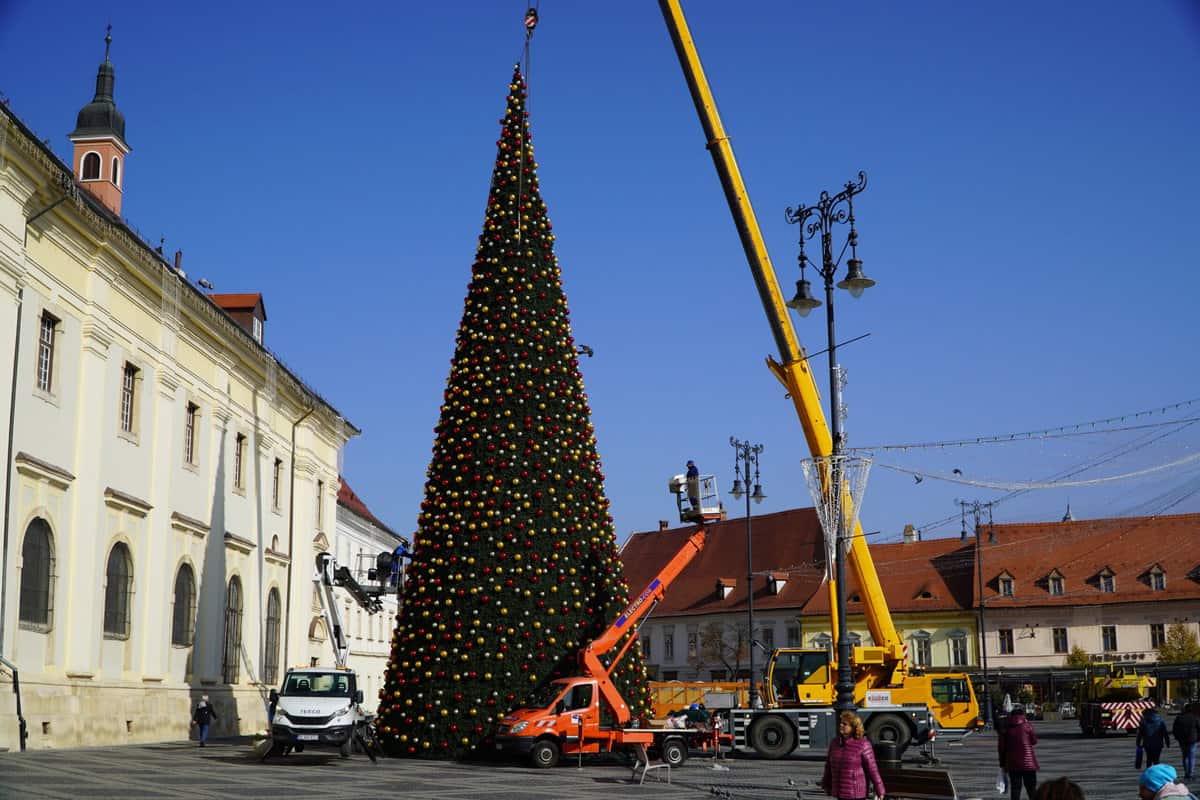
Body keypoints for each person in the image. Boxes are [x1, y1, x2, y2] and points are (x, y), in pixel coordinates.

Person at [822, 710, 886, 800]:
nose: (841, 725)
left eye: (845, 724)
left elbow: (872, 769)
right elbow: (828, 766)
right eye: (841, 723)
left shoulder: (863, 744)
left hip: (856, 794)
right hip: (839, 792)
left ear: (854, 727)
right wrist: (826, 784)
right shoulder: (835, 743)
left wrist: (880, 790)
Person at [999, 704, 1039, 800]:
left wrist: (1002, 764)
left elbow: (1001, 748)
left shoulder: (1006, 727)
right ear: (1023, 715)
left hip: (1013, 763)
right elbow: (1034, 741)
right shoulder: (1027, 725)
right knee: (1031, 788)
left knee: (1015, 788)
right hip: (1029, 764)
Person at [1174, 703, 1200, 779]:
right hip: (1193, 739)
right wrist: (1198, 738)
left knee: (1185, 756)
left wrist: (1177, 737)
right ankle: (1190, 773)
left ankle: (1186, 773)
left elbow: (1175, 729)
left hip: (1182, 740)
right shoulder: (1195, 718)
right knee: (1191, 756)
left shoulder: (1179, 717)